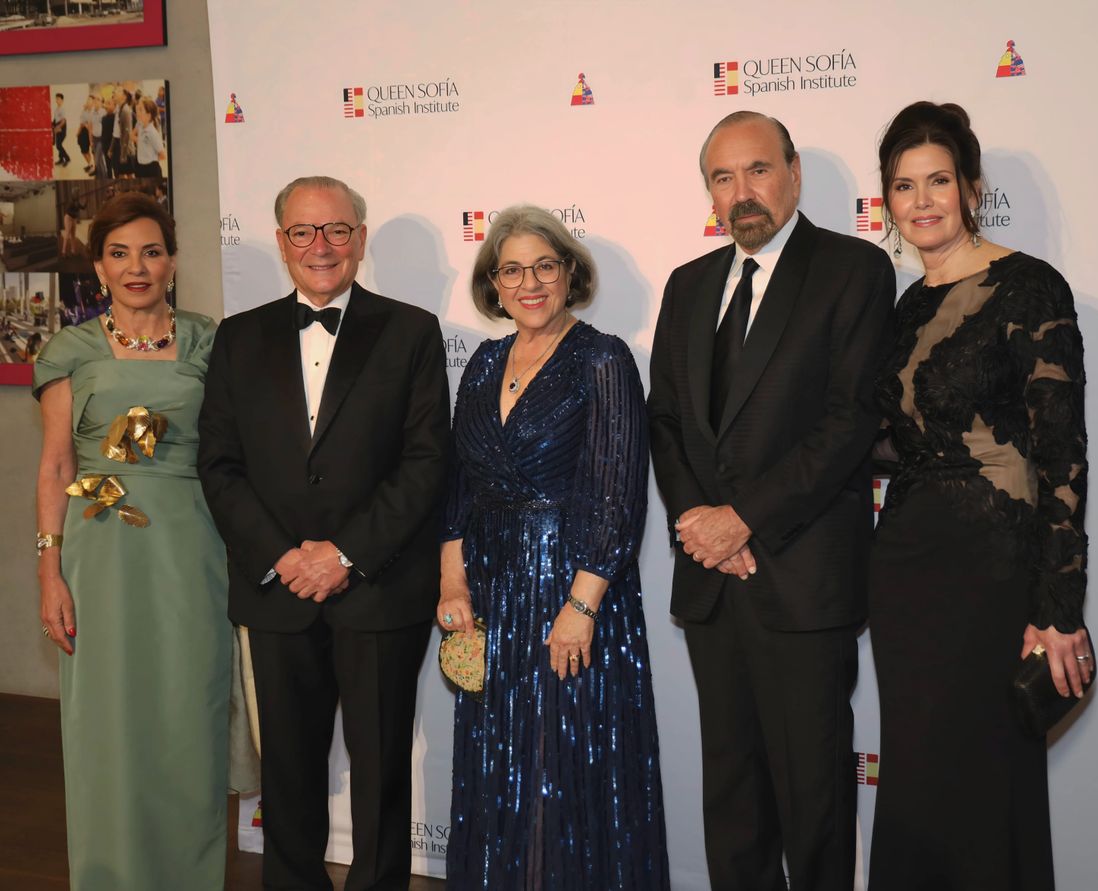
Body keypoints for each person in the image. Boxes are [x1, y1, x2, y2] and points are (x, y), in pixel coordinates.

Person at [647, 111, 895, 891]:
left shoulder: (853, 269)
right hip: (713, 581)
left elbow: (851, 418)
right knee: (733, 794)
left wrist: (743, 519)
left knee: (814, 796)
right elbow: (666, 420)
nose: (742, 192)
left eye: (757, 170)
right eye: (723, 177)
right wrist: (699, 524)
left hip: (801, 573)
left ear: (794, 172)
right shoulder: (689, 284)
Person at [198, 175, 450, 891]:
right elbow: (218, 463)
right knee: (287, 771)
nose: (321, 246)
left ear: (360, 239)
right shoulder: (238, 336)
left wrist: (344, 554)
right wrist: (284, 556)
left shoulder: (411, 331)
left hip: (378, 587)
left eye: (337, 229)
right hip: (276, 592)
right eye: (303, 232)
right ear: (281, 243)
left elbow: (427, 461)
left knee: (379, 774)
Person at [867, 101, 1091, 891]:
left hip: (994, 568)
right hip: (904, 573)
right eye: (903, 186)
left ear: (969, 187)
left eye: (938, 181)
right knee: (919, 779)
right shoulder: (903, 308)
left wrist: (1060, 605)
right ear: (887, 202)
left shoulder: (1030, 286)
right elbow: (895, 440)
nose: (922, 201)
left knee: (986, 778)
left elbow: (1062, 454)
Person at [435, 205, 668, 889]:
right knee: (499, 766)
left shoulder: (603, 358)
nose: (529, 282)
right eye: (512, 269)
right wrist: (454, 585)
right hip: (493, 595)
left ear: (569, 273)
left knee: (566, 769)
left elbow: (618, 492)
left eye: (545, 265)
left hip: (575, 591)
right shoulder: (481, 362)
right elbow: (457, 486)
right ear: (494, 285)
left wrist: (582, 606)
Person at [33, 192, 231, 889]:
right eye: (119, 253)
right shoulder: (71, 348)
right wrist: (49, 571)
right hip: (99, 547)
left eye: (151, 251)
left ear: (172, 261)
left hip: (192, 544)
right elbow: (58, 464)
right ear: (99, 265)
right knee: (107, 717)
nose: (137, 267)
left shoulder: (210, 340)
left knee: (189, 707)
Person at [133, 96, 166, 179]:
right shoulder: (140, 125)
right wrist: (139, 141)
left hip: (151, 170)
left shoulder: (152, 133)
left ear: (148, 115)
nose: (137, 112)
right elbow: (132, 135)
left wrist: (151, 158)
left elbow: (163, 155)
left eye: (140, 110)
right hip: (140, 168)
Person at [52, 92, 69, 167]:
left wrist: (57, 127)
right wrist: (53, 124)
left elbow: (64, 121)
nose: (57, 100)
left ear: (62, 100)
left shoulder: (62, 109)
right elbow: (55, 119)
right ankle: (61, 159)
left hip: (62, 128)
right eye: (56, 98)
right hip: (57, 127)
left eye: (58, 99)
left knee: (58, 145)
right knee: (59, 144)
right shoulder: (56, 109)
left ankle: (67, 158)